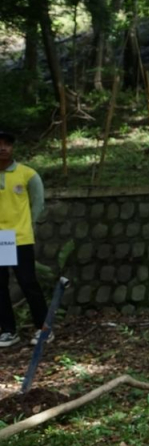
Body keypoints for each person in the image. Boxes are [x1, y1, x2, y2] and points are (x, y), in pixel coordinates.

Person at [0, 130, 48, 348]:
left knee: (28, 282)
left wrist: (27, 226)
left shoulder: (27, 174)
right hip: (0, 239)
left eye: (7, 144)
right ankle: (8, 331)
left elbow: (38, 203)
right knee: (0, 286)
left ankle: (44, 328)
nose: (3, 148)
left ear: (13, 148)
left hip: (19, 238)